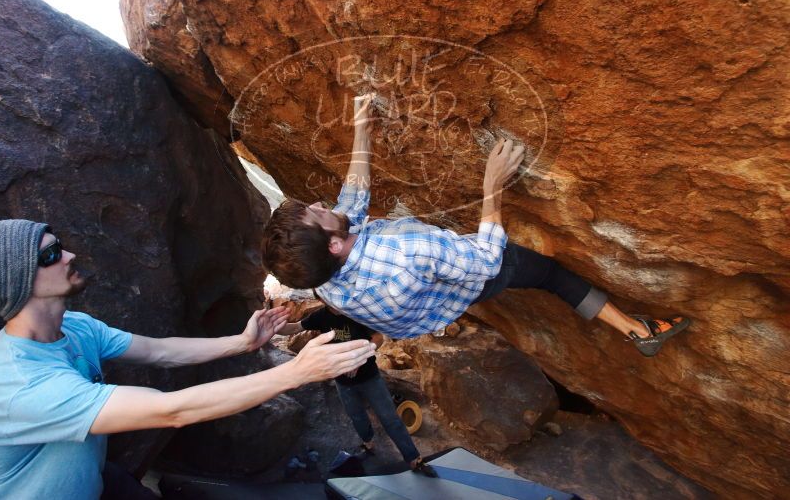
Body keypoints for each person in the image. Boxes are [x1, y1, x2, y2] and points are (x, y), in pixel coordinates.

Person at [261, 94, 691, 357]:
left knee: (448, 274)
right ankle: (638, 331)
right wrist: (492, 185)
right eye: (316, 212)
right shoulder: (406, 249)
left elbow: (352, 199)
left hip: (421, 308)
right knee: (550, 274)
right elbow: (486, 260)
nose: (321, 203)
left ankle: (394, 327)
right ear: (335, 244)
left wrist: (362, 130)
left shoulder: (319, 273)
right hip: (466, 282)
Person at [0, 219, 376, 499]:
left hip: (95, 478)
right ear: (18, 282)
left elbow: (160, 351)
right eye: (52, 255)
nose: (70, 255)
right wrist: (296, 372)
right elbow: (171, 410)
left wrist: (241, 343)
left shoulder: (74, 326)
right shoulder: (24, 385)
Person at [274, 293, 436, 477]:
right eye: (325, 297)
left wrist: (359, 358)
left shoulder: (356, 312)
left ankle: (414, 459)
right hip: (342, 380)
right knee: (356, 416)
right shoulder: (321, 316)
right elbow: (295, 327)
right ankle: (368, 444)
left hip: (369, 377)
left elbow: (378, 338)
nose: (331, 299)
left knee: (389, 417)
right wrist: (274, 327)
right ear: (321, 299)